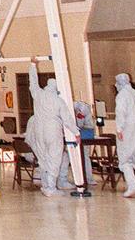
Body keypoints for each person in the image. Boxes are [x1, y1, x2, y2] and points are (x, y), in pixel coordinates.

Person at [27, 58, 78, 195]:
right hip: (53, 131)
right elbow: (67, 119)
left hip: (39, 131)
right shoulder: (58, 100)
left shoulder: (38, 95)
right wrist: (76, 133)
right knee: (54, 158)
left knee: (43, 158)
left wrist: (33, 65)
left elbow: (33, 83)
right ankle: (51, 188)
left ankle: (46, 186)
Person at [114, 72, 135, 197]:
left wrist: (119, 129)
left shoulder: (122, 95)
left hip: (127, 132)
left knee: (125, 159)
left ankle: (132, 186)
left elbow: (120, 113)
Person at [59, 99, 95, 188]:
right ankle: (63, 179)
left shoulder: (82, 108)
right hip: (74, 133)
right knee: (66, 154)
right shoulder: (65, 108)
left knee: (84, 155)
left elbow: (83, 123)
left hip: (84, 132)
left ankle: (88, 179)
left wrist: (76, 131)